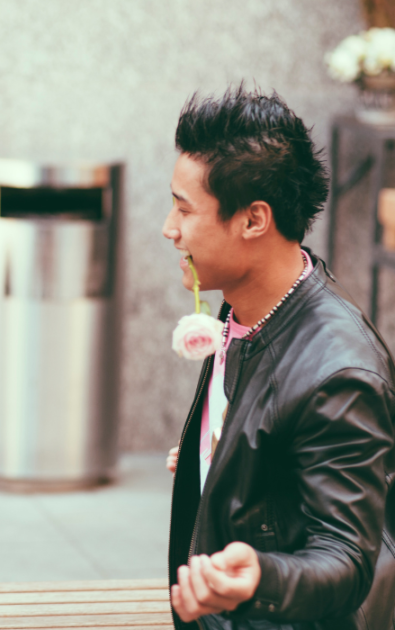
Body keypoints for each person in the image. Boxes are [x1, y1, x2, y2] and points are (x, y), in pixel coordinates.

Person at [162, 86, 395, 629]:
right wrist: (222, 458)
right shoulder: (242, 305)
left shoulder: (340, 374)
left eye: (184, 209)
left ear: (253, 220)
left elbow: (346, 560)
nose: (170, 229)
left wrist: (261, 578)